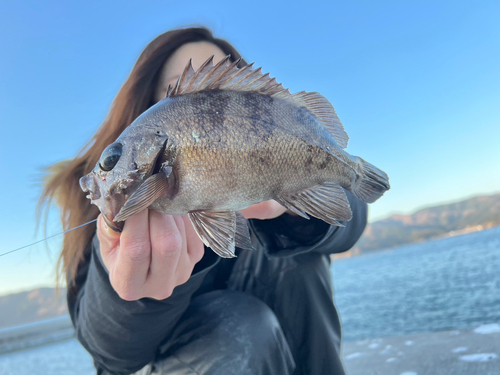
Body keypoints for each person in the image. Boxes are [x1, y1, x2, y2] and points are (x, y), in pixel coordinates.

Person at [40, 27, 368, 375]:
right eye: (177, 89)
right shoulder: (106, 196)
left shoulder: (280, 165)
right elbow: (110, 355)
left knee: (298, 259)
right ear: (146, 107)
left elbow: (352, 209)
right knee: (242, 326)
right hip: (177, 358)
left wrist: (294, 212)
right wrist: (127, 281)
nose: (205, 97)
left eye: (222, 83)